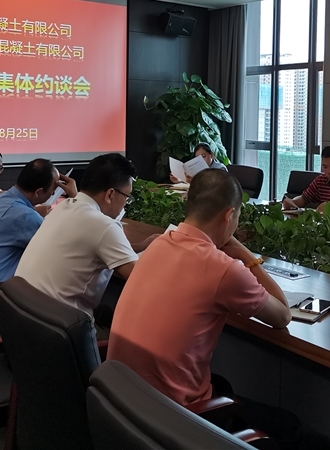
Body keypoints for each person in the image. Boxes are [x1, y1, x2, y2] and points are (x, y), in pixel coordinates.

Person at [107, 169, 300, 448]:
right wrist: (244, 254)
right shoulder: (223, 269)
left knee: (223, 385)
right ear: (229, 215)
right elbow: (282, 315)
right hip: (172, 418)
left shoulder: (158, 244)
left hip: (122, 402)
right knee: (288, 425)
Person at [15, 153, 156, 318]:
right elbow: (142, 279)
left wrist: (140, 247)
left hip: (21, 315)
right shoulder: (103, 225)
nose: (126, 203)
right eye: (127, 197)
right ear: (110, 194)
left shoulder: (62, 208)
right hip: (59, 326)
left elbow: (90, 244)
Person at [0, 159, 77, 284]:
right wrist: (76, 198)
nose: (53, 195)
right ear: (38, 192)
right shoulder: (25, 217)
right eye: (52, 192)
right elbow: (63, 248)